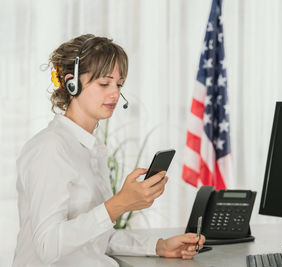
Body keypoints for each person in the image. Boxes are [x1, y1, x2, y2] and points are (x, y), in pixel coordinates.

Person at [13, 34, 205, 266]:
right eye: (104, 83)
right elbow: (48, 245)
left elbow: (96, 237)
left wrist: (159, 246)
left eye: (119, 84)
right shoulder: (50, 149)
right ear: (72, 83)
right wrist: (119, 204)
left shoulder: (90, 149)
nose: (115, 93)